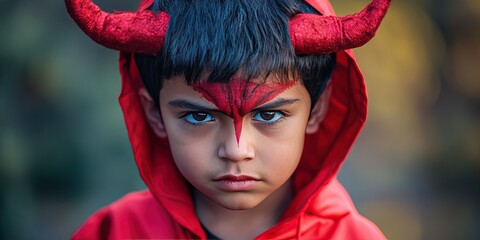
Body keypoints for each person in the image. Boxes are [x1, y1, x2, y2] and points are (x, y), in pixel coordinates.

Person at [66, 0, 391, 239]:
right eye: (199, 115)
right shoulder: (114, 233)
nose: (236, 150)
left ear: (317, 109)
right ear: (155, 113)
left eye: (269, 114)